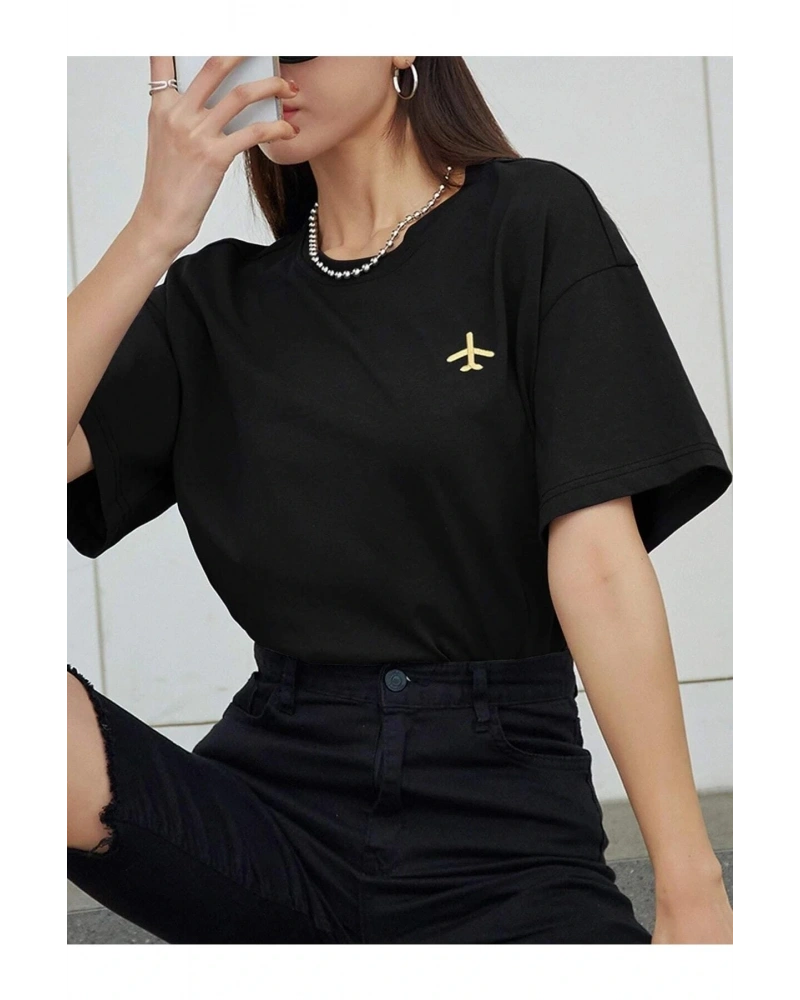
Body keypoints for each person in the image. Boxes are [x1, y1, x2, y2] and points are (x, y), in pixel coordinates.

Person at [64, 56, 735, 944]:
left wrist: (690, 885)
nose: (275, 66)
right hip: (274, 813)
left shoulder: (531, 220)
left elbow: (601, 567)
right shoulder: (213, 300)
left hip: (503, 825)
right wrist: (155, 226)